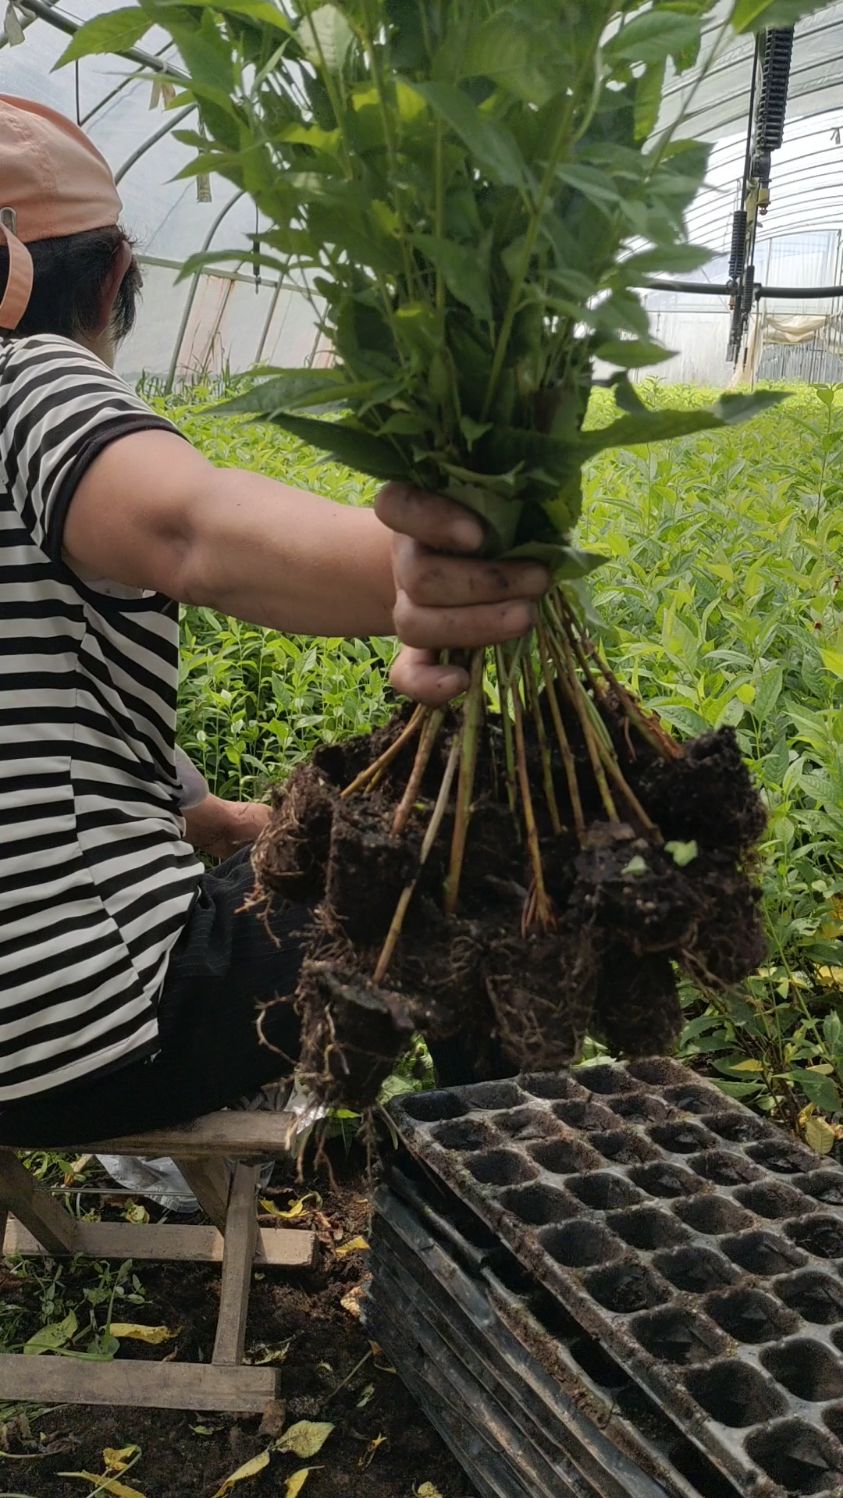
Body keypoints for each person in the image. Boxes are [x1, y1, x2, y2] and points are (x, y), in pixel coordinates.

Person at [0, 96, 547, 1147]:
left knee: (314, 853)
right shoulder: (29, 378)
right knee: (474, 857)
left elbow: (54, 711)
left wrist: (238, 821)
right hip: (75, 1037)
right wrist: (421, 574)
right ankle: (493, 1179)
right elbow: (187, 528)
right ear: (113, 275)